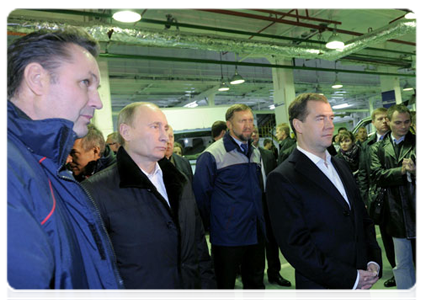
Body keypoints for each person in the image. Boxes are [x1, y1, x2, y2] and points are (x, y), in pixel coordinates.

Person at [5, 28, 126, 299]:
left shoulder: (43, 164)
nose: (97, 102)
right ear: (37, 79)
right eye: (85, 82)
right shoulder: (9, 168)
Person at [82, 102, 218, 300]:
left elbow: (199, 249)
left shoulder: (179, 181)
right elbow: (94, 271)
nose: (164, 136)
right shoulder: (95, 192)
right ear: (126, 132)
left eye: (165, 127)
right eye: (154, 127)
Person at [266, 93, 382, 300]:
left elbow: (362, 219)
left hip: (362, 285)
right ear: (298, 125)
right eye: (320, 118)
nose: (330, 125)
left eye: (331, 118)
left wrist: (373, 260)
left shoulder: (341, 165)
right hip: (323, 291)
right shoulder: (283, 178)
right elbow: (297, 247)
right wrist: (350, 278)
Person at [193, 104, 266, 300]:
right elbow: (200, 197)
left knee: (256, 286)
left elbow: (260, 192)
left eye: (251, 120)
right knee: (224, 289)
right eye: (242, 121)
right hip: (228, 238)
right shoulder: (211, 155)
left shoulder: (255, 153)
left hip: (255, 234)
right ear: (229, 124)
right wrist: (218, 224)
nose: (248, 125)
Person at [370, 104, 420, 300]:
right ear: (388, 122)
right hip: (395, 213)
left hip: (418, 207)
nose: (403, 126)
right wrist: (401, 171)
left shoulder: (418, 142)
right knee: (402, 264)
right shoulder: (377, 148)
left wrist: (416, 173)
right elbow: (376, 175)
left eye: (407, 122)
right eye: (398, 122)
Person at [251, 127, 291, 287]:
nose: (254, 134)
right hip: (252, 204)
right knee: (255, 242)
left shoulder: (267, 154)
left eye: (256, 132)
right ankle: (255, 275)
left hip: (268, 201)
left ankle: (275, 273)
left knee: (272, 240)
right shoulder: (241, 156)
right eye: (251, 132)